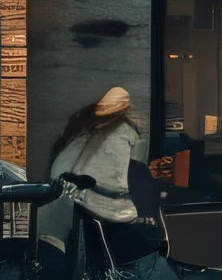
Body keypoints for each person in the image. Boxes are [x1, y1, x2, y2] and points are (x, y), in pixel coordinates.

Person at [47, 86, 161, 263]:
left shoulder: (83, 125)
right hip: (101, 202)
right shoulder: (125, 132)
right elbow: (132, 172)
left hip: (69, 195)